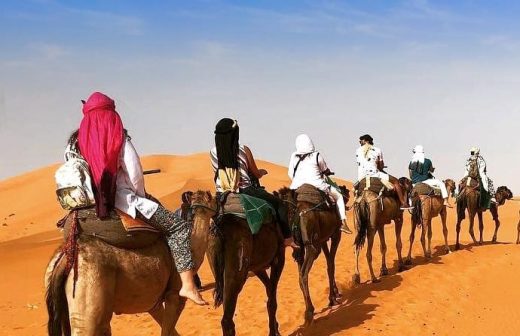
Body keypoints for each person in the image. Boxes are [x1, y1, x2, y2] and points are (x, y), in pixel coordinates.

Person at [76, 91, 206, 305]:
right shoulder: (119, 138)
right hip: (125, 200)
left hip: (88, 204)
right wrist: (141, 197)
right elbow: (135, 173)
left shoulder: (79, 143)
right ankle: (188, 285)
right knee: (177, 227)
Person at [209, 118, 298, 248]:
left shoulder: (212, 152)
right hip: (245, 189)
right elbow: (255, 173)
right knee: (279, 205)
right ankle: (288, 238)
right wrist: (260, 172)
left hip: (222, 192)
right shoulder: (243, 149)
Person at [288, 134, 352, 234]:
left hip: (296, 187)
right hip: (317, 185)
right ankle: (343, 222)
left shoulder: (293, 156)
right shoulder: (316, 155)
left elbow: (291, 174)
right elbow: (324, 169)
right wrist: (327, 172)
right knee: (339, 196)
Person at [355, 134, 412, 210]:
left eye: (361, 141)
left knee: (355, 190)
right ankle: (403, 203)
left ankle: (355, 204)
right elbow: (380, 167)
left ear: (366, 141)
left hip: (361, 177)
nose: (360, 142)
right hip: (374, 174)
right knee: (395, 181)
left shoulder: (358, 150)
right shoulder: (377, 150)